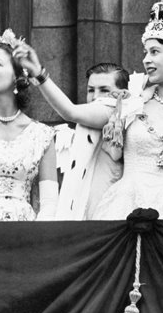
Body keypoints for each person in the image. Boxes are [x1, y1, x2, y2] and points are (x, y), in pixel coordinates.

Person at [17, 0, 163, 219]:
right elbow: (71, 112)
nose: (146, 59)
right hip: (123, 207)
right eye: (146, 52)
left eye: (154, 52)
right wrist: (39, 74)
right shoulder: (130, 103)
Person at [0, 29, 57, 221]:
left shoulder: (42, 135)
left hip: (24, 236)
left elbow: (50, 203)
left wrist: (37, 242)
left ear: (18, 77)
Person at [54, 63, 129, 220]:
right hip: (81, 215)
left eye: (104, 90)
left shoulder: (115, 112)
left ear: (122, 94)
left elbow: (70, 112)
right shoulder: (83, 125)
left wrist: (40, 76)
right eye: (90, 90)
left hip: (110, 214)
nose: (95, 97)